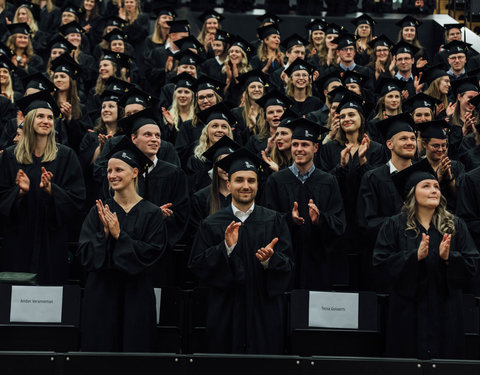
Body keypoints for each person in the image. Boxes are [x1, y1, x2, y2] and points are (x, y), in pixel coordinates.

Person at [189, 147, 294, 354]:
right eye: (239, 180)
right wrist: (225, 248)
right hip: (226, 309)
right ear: (228, 184)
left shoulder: (274, 220)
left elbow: (290, 265)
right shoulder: (212, 223)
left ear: (258, 184)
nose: (245, 186)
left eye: (251, 180)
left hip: (264, 309)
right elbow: (197, 265)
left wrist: (269, 261)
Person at [374, 159, 478, 359]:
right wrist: (414, 257)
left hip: (446, 311)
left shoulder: (455, 226)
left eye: (437, 187)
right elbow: (380, 265)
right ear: (411, 194)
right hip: (407, 312)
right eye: (426, 186)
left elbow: (472, 265)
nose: (434, 190)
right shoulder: (394, 225)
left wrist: (449, 258)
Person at [78, 137, 167, 352]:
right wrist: (105, 236)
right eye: (109, 171)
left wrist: (120, 236)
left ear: (135, 173)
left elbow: (152, 253)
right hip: (101, 295)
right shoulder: (99, 210)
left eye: (119, 170)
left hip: (136, 296)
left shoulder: (152, 213)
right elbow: (84, 253)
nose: (112, 175)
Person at [0, 90, 85, 284]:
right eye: (40, 116)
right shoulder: (10, 156)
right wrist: (19, 192)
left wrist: (51, 190)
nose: (46, 121)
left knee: (50, 294)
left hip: (51, 239)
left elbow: (78, 200)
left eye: (50, 117)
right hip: (18, 238)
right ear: (29, 120)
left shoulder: (66, 156)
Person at [263, 118, 346, 290]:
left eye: (304, 145)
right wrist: (288, 219)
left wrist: (319, 220)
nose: (299, 149)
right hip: (286, 259)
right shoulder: (276, 180)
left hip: (318, 261)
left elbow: (339, 223)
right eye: (295, 144)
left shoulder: (328, 181)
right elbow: (267, 220)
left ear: (315, 148)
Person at [418, 120, 464, 212]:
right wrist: (438, 176)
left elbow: (461, 198)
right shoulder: (417, 167)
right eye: (435, 146)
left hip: (452, 215)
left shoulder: (456, 166)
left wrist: (450, 179)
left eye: (444, 145)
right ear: (424, 144)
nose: (440, 149)